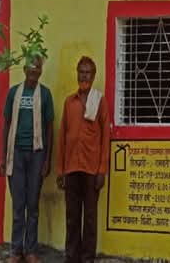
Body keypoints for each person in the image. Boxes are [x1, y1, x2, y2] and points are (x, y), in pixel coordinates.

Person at [0, 57, 55, 263]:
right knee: (18, 205)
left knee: (32, 204)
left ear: (41, 71)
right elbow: (6, 124)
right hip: (16, 154)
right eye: (31, 66)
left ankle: (30, 250)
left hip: (37, 154)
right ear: (24, 69)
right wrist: (3, 156)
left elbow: (49, 128)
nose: (34, 70)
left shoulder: (45, 94)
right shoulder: (13, 93)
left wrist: (47, 159)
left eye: (37, 67)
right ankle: (16, 250)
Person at [56, 56, 110, 263]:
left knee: (90, 218)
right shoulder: (69, 102)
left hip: (91, 169)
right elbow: (63, 136)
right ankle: (72, 257)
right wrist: (60, 170)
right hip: (71, 168)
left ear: (93, 76)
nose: (84, 76)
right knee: (72, 217)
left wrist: (102, 170)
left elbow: (106, 137)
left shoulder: (99, 101)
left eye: (88, 73)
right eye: (81, 72)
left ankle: (87, 258)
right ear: (77, 74)